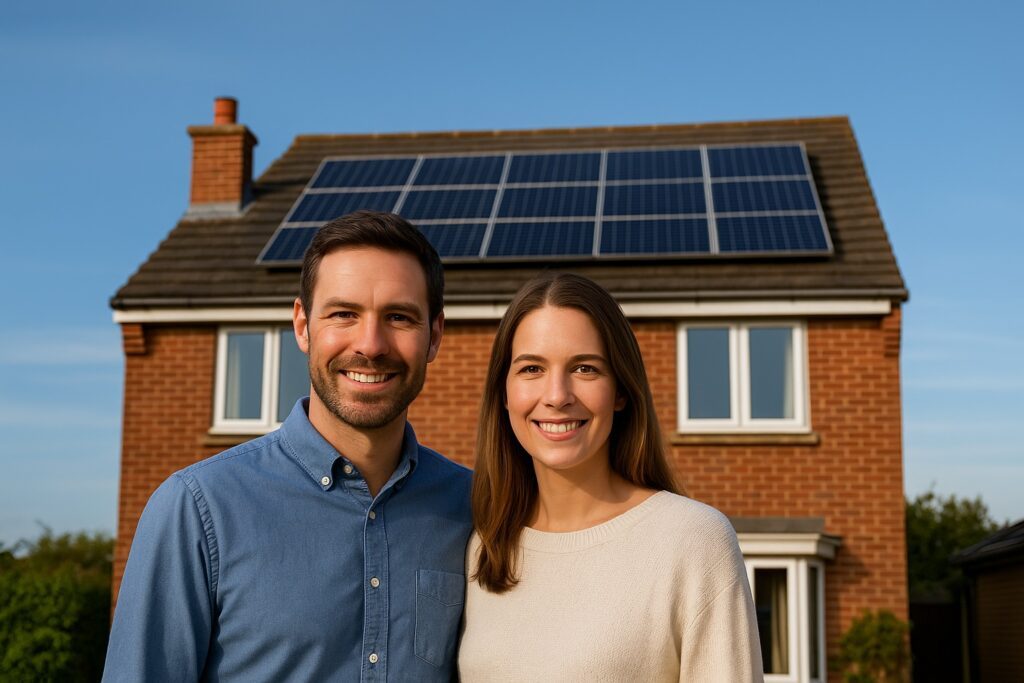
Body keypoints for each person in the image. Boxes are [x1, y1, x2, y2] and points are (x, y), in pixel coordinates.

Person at [104, 211, 472, 682]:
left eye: (399, 317)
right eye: (344, 314)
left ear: (435, 336)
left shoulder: (473, 507)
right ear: (302, 325)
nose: (371, 344)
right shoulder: (198, 509)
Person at [459, 272, 763, 682]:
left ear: (621, 390)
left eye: (585, 368)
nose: (556, 395)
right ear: (504, 392)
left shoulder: (693, 540)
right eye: (532, 368)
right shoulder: (483, 547)